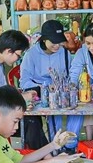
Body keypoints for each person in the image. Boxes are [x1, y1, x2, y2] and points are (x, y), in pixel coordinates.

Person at [20, 19, 75, 151]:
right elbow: (24, 81)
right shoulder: (31, 54)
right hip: (37, 93)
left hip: (60, 93)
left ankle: (69, 144)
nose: (57, 45)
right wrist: (43, 88)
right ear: (44, 39)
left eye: (59, 41)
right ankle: (49, 149)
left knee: (73, 110)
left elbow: (70, 76)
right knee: (34, 121)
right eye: (53, 42)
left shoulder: (65, 53)